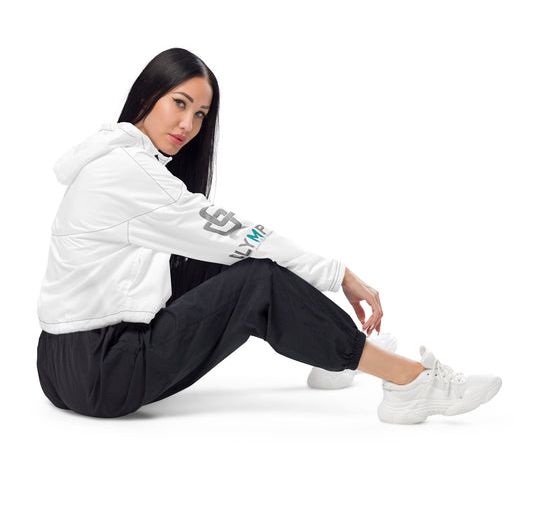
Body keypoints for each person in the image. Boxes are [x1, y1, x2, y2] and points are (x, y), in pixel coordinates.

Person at [36, 48, 502, 424]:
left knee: (217, 262)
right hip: (104, 373)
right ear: (147, 96)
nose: (188, 126)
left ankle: (331, 353)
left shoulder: (110, 157)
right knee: (258, 278)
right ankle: (411, 382)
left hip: (57, 366)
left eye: (200, 114)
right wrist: (339, 274)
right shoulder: (131, 172)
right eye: (179, 103)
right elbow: (243, 236)